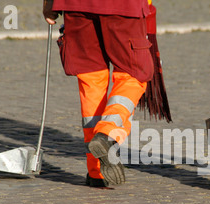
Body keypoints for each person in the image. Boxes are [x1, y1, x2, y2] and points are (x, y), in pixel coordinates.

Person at [42, 0, 155, 188]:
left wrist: (49, 3)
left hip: (76, 6)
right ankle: (108, 133)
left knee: (91, 83)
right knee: (133, 75)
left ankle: (97, 172)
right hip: (123, 6)